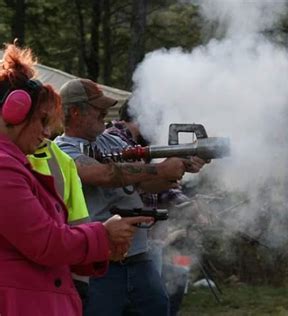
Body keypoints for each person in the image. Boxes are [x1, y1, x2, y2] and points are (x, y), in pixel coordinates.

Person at [0, 44, 150, 315]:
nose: (46, 132)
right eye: (42, 120)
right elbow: (45, 242)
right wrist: (103, 236)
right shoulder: (3, 168)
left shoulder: (16, 163)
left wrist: (101, 249)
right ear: (14, 113)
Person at [55, 78, 207, 315]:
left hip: (139, 256)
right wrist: (160, 169)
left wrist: (180, 167)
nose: (105, 113)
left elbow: (145, 182)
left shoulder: (112, 140)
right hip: (99, 263)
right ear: (75, 112)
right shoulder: (62, 149)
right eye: (98, 109)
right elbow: (102, 174)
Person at [28, 138, 92, 305]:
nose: (46, 130)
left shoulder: (59, 157)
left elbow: (79, 220)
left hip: (52, 283)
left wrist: (80, 281)